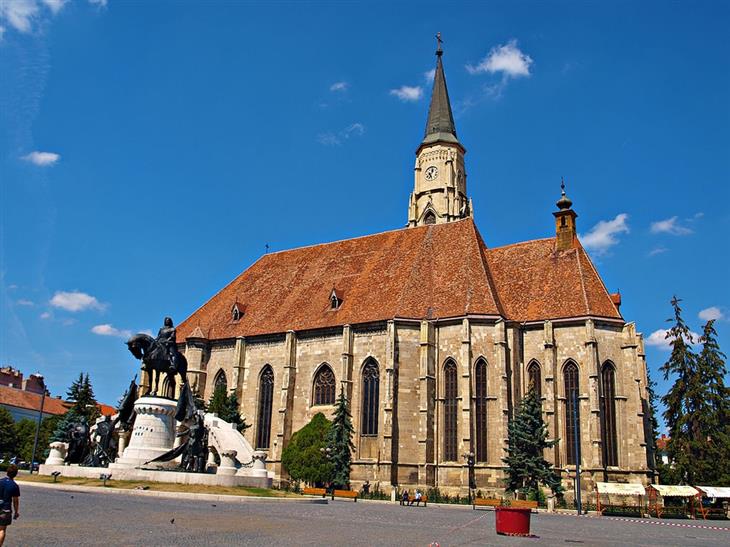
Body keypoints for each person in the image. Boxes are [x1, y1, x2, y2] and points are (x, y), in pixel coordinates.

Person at [0, 464, 20, 547]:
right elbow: (15, 501)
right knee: (2, 529)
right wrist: (16, 512)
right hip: (5, 510)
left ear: (7, 472)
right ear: (15, 474)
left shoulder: (0, 481)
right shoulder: (14, 486)